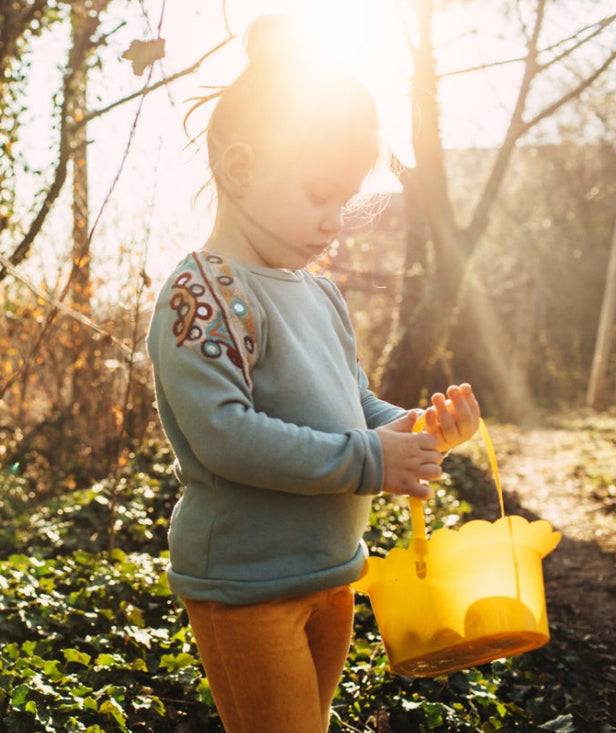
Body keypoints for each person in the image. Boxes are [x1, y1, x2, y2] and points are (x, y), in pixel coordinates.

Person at [145, 15, 482, 733]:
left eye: (344, 200)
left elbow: (351, 401)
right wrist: (370, 460)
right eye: (318, 194)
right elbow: (225, 436)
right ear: (239, 170)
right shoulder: (203, 293)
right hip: (246, 584)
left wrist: (415, 430)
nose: (334, 221)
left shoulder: (320, 291)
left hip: (332, 574)